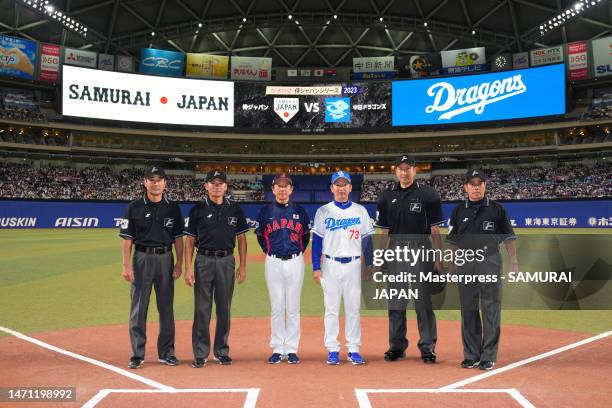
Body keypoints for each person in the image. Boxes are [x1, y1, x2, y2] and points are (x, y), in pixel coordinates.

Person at [375, 154, 445, 364]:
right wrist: (379, 258)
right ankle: (396, 346)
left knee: (423, 302)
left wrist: (438, 258)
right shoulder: (386, 196)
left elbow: (435, 229)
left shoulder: (429, 194)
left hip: (420, 250)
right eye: (401, 168)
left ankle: (427, 346)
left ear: (415, 170)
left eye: (408, 168)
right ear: (395, 171)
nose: (404, 172)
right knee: (396, 301)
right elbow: (384, 231)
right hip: (395, 251)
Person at [447, 169, 518, 371]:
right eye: (472, 183)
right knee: (468, 310)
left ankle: (488, 356)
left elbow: (510, 238)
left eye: (480, 183)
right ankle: (471, 355)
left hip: (490, 261)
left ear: (485, 186)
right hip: (466, 263)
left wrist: (514, 264)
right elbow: (453, 241)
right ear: (466, 187)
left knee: (490, 310)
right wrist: (451, 266)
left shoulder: (497, 209)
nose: (476, 186)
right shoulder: (458, 211)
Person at [119, 165, 184, 369]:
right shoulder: (134, 207)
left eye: (159, 180)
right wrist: (126, 266)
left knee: (166, 308)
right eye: (151, 179)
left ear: (165, 183)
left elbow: (179, 238)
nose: (155, 183)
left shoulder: (173, 208)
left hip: (165, 258)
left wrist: (179, 263)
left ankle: (167, 353)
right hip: (142, 258)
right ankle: (137, 354)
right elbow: (127, 240)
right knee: (138, 308)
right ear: (145, 182)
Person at [184, 169, 249, 368]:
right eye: (213, 183)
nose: (217, 186)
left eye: (220, 183)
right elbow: (190, 240)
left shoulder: (235, 209)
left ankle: (221, 351)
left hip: (226, 261)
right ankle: (201, 353)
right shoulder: (197, 209)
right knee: (202, 309)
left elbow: (241, 239)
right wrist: (188, 268)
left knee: (224, 308)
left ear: (226, 186)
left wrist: (243, 265)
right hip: (203, 260)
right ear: (206, 186)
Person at [312, 171, 374, 365]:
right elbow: (317, 241)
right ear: (332, 188)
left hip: (355, 265)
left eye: (344, 184)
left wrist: (370, 264)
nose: (341, 187)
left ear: (349, 187)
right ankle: (332, 349)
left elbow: (367, 240)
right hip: (330, 264)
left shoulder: (360, 211)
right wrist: (316, 266)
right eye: (337, 184)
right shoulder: (323, 211)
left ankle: (353, 349)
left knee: (353, 309)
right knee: (331, 309)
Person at [255, 173, 311, 364]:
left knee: (293, 307)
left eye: (286, 186)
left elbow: (305, 237)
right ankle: (278, 348)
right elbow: (261, 237)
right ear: (273, 189)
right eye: (279, 186)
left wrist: (297, 252)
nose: (282, 189)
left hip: (295, 261)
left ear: (291, 189)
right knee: (277, 307)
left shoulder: (300, 211)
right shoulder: (265, 212)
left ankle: (292, 349)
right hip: (273, 262)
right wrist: (271, 253)